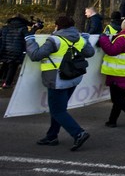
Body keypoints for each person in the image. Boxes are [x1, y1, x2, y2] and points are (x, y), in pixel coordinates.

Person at [24, 15, 93, 151]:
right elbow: (89, 53)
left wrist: (30, 39)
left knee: (57, 111)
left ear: (58, 26)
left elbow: (35, 55)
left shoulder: (54, 40)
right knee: (60, 110)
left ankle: (78, 133)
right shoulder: (79, 38)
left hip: (57, 80)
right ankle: (52, 136)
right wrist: (86, 40)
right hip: (74, 78)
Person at [1, 13, 40, 89]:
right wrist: (34, 29)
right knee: (13, 67)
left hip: (5, 49)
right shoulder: (23, 28)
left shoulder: (5, 28)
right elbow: (28, 37)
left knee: (5, 64)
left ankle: (2, 79)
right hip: (17, 51)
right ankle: (7, 83)